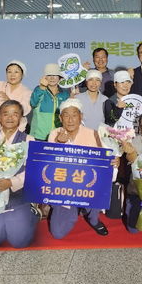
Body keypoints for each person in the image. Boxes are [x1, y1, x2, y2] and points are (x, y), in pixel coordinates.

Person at [47, 99, 119, 239]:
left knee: (100, 183)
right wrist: (59, 144)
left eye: (74, 115)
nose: (70, 119)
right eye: (66, 115)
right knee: (58, 233)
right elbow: (50, 164)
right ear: (60, 118)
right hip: (64, 188)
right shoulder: (54, 134)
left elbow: (103, 160)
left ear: (81, 116)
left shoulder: (94, 134)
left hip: (87, 184)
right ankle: (73, 209)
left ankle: (93, 218)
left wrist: (114, 160)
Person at [0, 100, 40, 248]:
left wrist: (12, 182)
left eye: (15, 114)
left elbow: (33, 170)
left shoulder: (28, 139)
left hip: (17, 196)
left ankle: (32, 213)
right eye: (5, 114)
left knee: (20, 242)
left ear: (20, 118)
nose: (10, 118)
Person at [0, 60, 33, 131]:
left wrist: (9, 101)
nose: (12, 75)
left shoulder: (27, 92)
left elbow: (25, 110)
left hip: (18, 129)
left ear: (22, 75)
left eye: (16, 72)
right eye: (9, 72)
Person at [29, 63, 70, 141]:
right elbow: (33, 103)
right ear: (44, 77)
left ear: (60, 78)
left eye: (55, 75)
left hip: (57, 137)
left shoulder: (65, 94)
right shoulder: (39, 89)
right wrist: (42, 87)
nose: (52, 78)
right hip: (38, 137)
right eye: (49, 75)